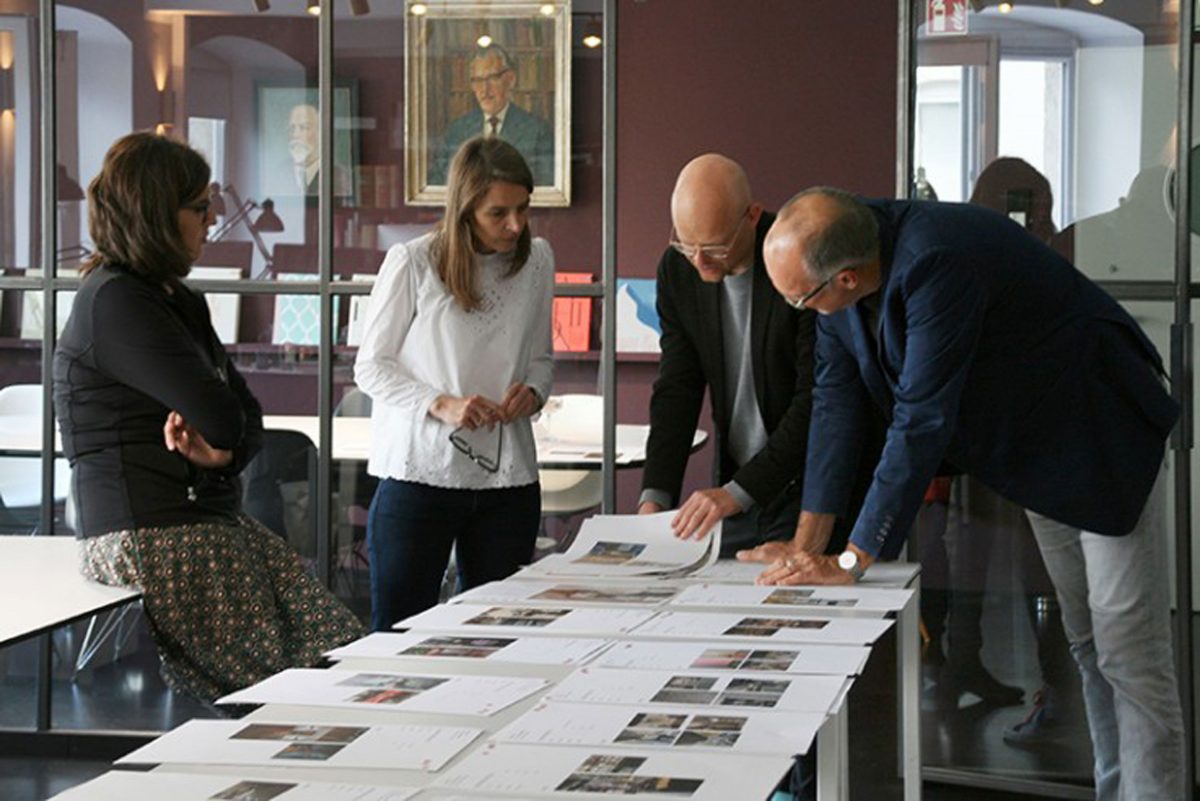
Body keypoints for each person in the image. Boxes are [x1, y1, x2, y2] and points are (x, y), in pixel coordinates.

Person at [742, 186, 1185, 800]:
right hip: (1033, 449)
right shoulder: (843, 268)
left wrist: (852, 558)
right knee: (1087, 641)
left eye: (800, 299)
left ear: (844, 279)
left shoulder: (933, 260)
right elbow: (835, 405)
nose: (798, 310)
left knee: (1129, 653)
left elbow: (920, 420)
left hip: (1099, 434)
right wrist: (805, 543)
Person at [53, 132, 363, 703]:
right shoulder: (115, 300)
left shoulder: (175, 299)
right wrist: (225, 440)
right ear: (156, 214)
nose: (213, 218)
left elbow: (244, 421)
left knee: (341, 651)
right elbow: (224, 416)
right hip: (150, 529)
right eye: (199, 207)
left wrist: (223, 452)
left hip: (204, 520)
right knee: (293, 685)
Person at [355, 136, 554, 631]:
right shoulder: (412, 261)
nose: (516, 225)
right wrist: (440, 403)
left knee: (500, 636)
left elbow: (542, 359)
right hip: (419, 476)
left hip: (508, 481)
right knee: (396, 638)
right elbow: (371, 367)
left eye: (523, 209)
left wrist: (533, 391)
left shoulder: (537, 261)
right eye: (499, 213)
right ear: (465, 210)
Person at [636, 154, 815, 557]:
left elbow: (815, 400)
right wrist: (655, 497)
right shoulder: (677, 270)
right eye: (686, 245)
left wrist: (739, 492)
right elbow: (677, 389)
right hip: (737, 481)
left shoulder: (794, 258)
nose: (699, 262)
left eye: (713, 247)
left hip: (807, 485)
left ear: (752, 216)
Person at [429, 44, 554, 186]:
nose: (484, 89)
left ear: (510, 79)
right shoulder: (456, 131)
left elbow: (545, 186)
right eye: (477, 80)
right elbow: (437, 182)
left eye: (492, 78)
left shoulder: (537, 131)